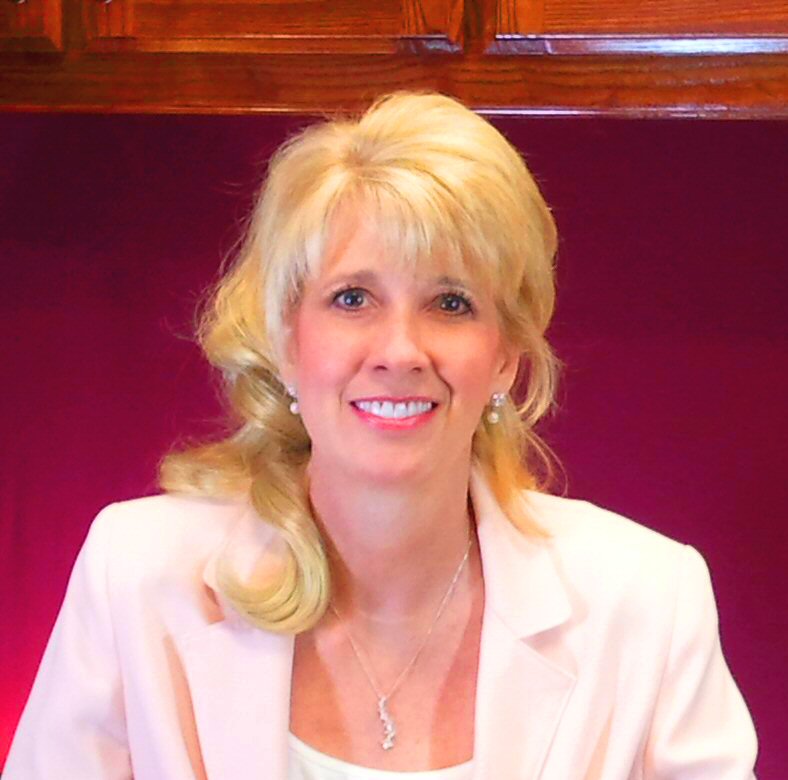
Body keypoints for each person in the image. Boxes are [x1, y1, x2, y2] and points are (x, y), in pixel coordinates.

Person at [4, 92, 757, 779]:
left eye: (451, 303)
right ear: (286, 339)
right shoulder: (137, 574)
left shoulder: (648, 599)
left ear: (505, 355)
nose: (400, 351)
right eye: (353, 297)